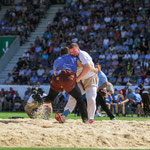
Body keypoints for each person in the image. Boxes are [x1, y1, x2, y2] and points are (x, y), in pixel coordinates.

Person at [43, 47, 88, 123]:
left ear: (60, 53)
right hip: (68, 78)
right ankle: (85, 120)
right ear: (69, 52)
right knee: (80, 99)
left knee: (49, 98)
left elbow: (54, 72)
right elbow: (81, 65)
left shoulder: (57, 60)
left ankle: (37, 102)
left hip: (57, 78)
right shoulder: (73, 57)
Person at [57, 43, 98, 124]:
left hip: (90, 78)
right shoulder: (71, 58)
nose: (73, 53)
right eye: (71, 52)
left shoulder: (82, 54)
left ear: (78, 49)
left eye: (74, 51)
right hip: (80, 80)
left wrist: (78, 78)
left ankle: (91, 118)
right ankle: (64, 115)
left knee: (91, 99)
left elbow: (88, 67)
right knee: (73, 97)